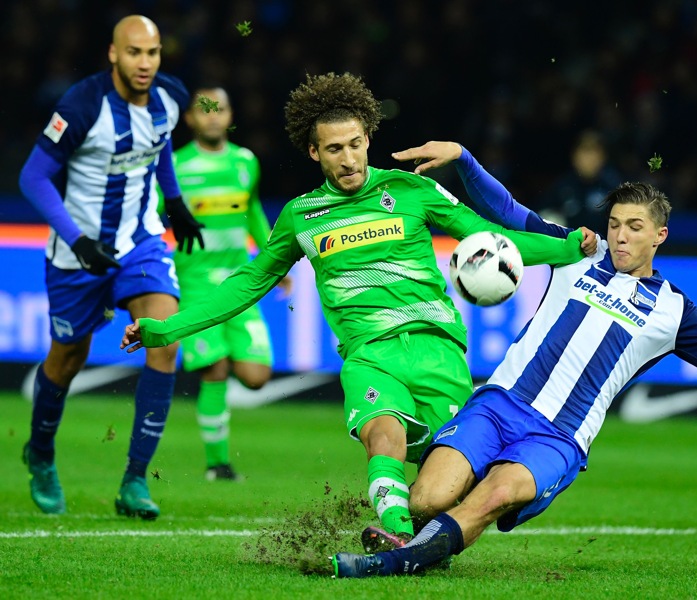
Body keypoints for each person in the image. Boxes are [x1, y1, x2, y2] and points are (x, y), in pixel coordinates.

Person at [329, 141, 697, 578]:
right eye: (614, 225)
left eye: (633, 228)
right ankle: (430, 545)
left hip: (557, 438)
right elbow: (506, 209)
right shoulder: (576, 253)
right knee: (427, 497)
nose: (619, 237)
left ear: (660, 236)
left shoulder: (674, 312)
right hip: (498, 403)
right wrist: (463, 159)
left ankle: (394, 564)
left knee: (496, 493)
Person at [120, 73, 592, 546]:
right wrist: (167, 330)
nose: (347, 160)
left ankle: (444, 518)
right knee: (382, 435)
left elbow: (490, 239)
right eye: (333, 149)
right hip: (370, 356)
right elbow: (247, 282)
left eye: (354, 144)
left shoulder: (411, 192)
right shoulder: (301, 217)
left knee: (441, 490)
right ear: (313, 153)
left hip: (438, 352)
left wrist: (571, 247)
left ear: (368, 139)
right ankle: (397, 535)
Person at [17, 15, 203, 519]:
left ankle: (135, 481)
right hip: (77, 252)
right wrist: (77, 241)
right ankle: (40, 452)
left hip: (140, 242)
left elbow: (158, 143)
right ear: (113, 54)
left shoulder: (170, 97)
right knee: (67, 358)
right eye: (135, 52)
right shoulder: (82, 104)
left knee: (165, 338)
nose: (146, 63)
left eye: (154, 52)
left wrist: (176, 201)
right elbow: (32, 177)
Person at [169, 86, 292, 481]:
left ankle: (217, 445)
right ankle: (217, 463)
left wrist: (278, 259)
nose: (212, 116)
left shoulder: (245, 162)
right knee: (215, 368)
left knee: (256, 376)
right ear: (189, 118)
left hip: (241, 282)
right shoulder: (174, 166)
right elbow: (153, 219)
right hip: (196, 283)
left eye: (219, 108)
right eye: (204, 110)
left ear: (229, 114)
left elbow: (252, 210)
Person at [537, 129, 622, 227]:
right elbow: (542, 213)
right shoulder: (562, 187)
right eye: (585, 152)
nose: (589, 159)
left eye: (594, 153)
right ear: (574, 156)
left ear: (603, 158)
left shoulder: (613, 187)